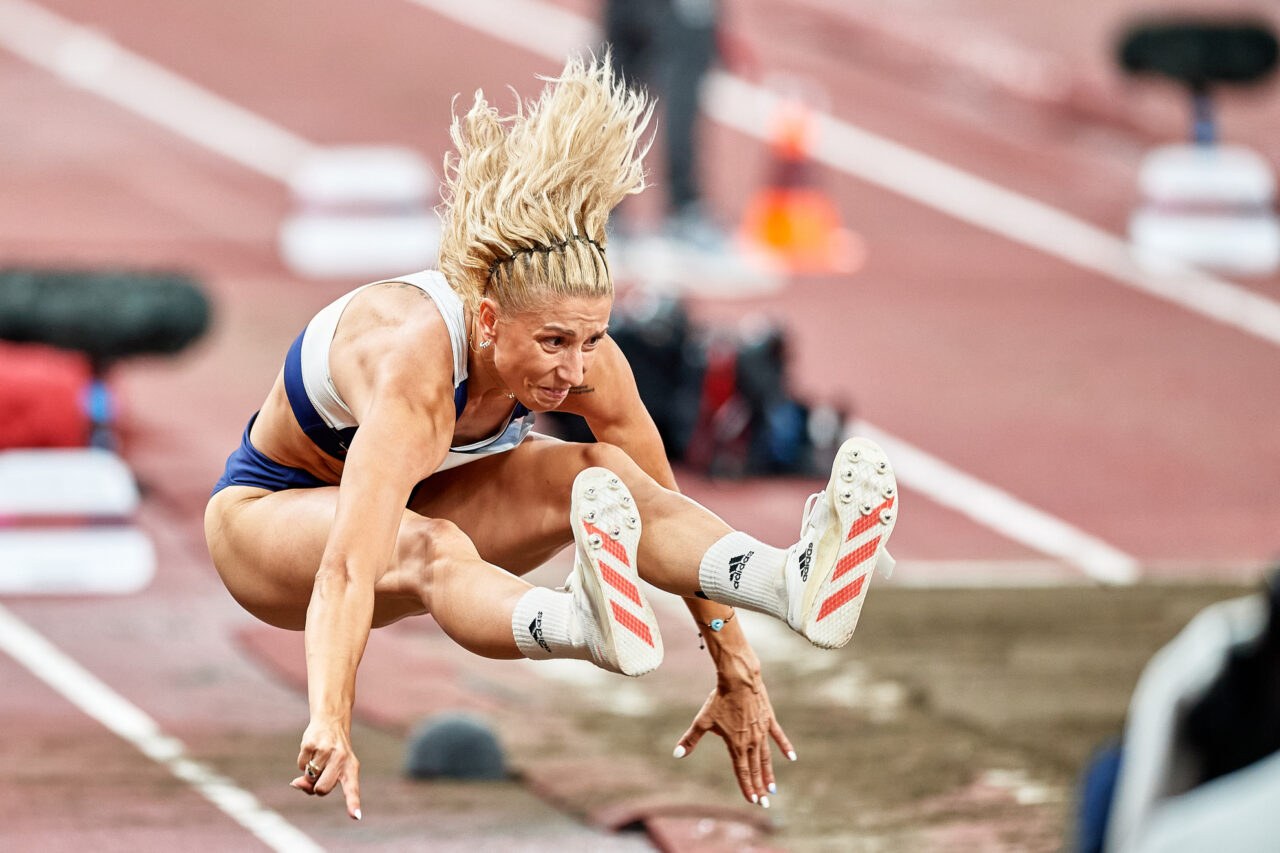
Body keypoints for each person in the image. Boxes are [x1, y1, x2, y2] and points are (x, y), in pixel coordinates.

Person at [203, 54, 899, 822]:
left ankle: (788, 579)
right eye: (554, 343)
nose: (573, 370)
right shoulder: (415, 371)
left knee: (601, 473)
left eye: (591, 339)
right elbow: (346, 567)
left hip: (410, 501)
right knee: (426, 544)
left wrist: (736, 663)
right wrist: (330, 714)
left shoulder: (588, 360)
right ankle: (575, 622)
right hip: (267, 524)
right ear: (490, 320)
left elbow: (662, 504)